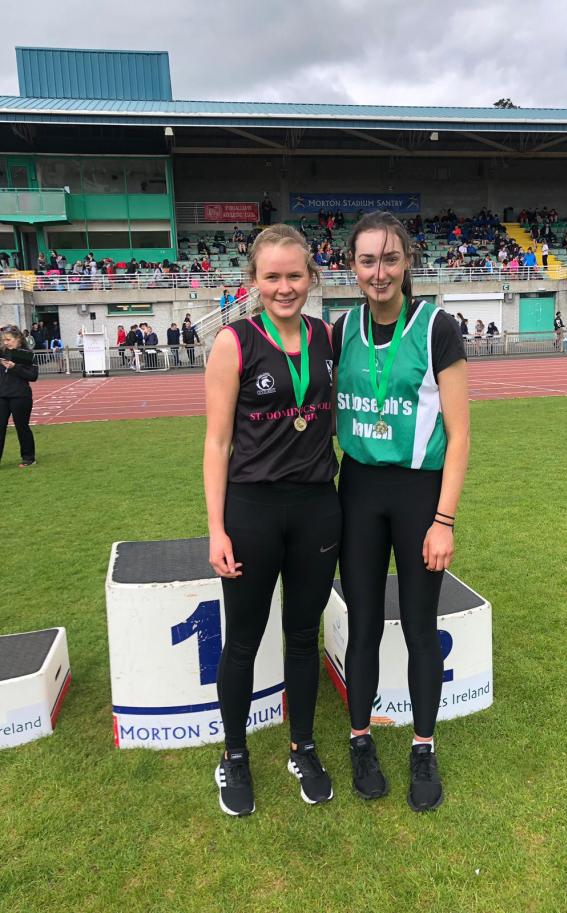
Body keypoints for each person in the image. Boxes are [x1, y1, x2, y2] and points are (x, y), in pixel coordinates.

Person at [333, 211, 470, 813]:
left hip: (419, 495)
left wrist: (444, 520)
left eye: (390, 259)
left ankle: (422, 747)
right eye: (368, 260)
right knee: (363, 623)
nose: (379, 272)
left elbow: (460, 435)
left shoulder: (437, 327)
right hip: (359, 490)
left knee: (419, 626)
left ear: (408, 261)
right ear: (353, 266)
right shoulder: (341, 329)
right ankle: (360, 740)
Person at [204, 223, 340, 816]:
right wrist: (217, 528)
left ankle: (301, 746)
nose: (285, 287)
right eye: (272, 277)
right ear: (253, 281)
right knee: (243, 640)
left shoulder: (326, 337)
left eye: (295, 275)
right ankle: (234, 755)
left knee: (304, 636)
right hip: (253, 511)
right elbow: (216, 443)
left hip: (317, 509)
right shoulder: (233, 342)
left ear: (311, 277)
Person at [0, 326, 38, 467]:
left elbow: (33, 376)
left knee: (22, 427)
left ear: (18, 339)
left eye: (9, 339)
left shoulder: (26, 354)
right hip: (2, 396)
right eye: (4, 340)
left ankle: (28, 458)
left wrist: (14, 367)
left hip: (20, 396)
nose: (6, 342)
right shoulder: (2, 353)